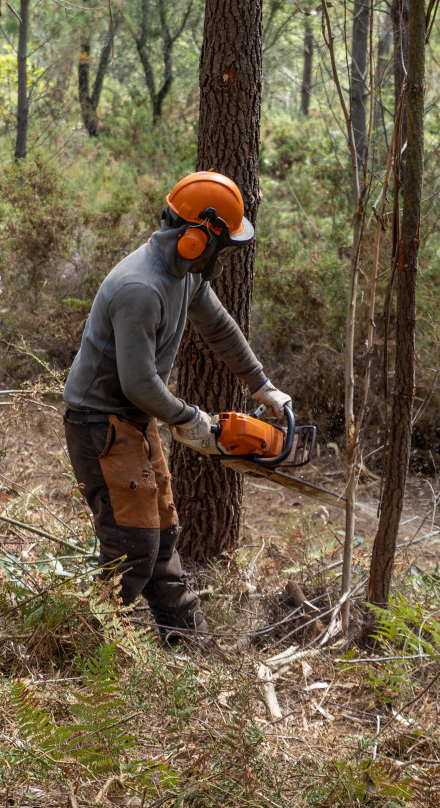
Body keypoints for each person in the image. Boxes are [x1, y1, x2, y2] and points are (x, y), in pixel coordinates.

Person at [63, 171, 291, 644]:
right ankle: (89, 656)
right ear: (195, 238)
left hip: (133, 419)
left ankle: (190, 650)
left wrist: (261, 385)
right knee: (133, 547)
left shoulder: (183, 275)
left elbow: (220, 328)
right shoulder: (140, 289)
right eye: (221, 245)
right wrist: (191, 420)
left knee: (162, 536)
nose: (222, 258)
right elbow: (140, 382)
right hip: (98, 423)